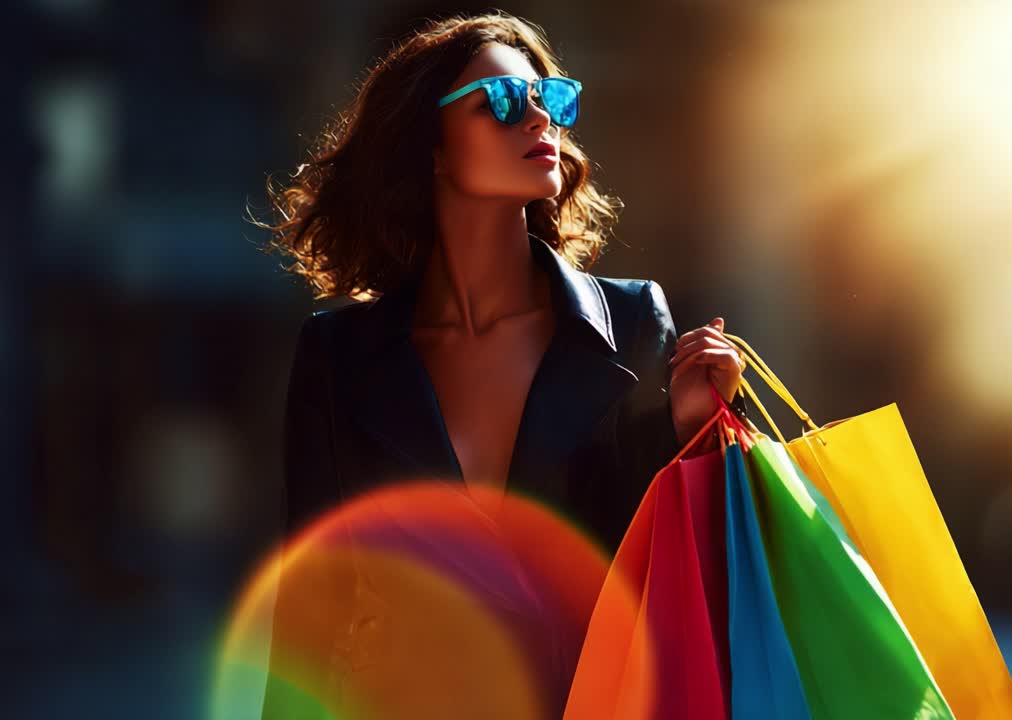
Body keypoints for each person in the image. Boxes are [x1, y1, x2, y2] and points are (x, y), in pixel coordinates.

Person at [252, 11, 749, 719]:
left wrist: (694, 428)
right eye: (508, 102)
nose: (540, 121)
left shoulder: (632, 323)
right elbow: (311, 612)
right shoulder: (337, 355)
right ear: (429, 146)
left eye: (553, 101)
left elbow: (667, 566)